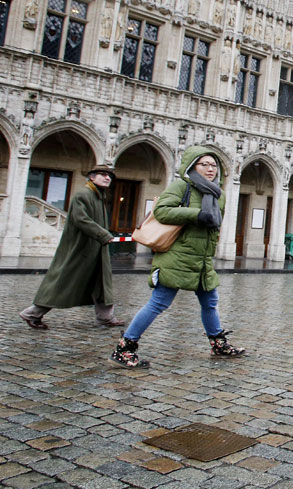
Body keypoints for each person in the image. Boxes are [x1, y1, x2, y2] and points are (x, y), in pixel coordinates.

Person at [109, 147, 244, 368]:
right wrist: (196, 215)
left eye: (214, 165)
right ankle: (124, 348)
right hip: (177, 257)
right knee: (158, 303)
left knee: (210, 303)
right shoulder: (182, 186)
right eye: (204, 164)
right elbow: (162, 211)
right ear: (192, 166)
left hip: (202, 260)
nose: (210, 169)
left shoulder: (218, 194)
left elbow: (213, 228)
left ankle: (218, 344)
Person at [20, 165, 123, 330]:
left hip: (95, 247)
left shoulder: (99, 195)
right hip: (80, 248)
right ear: (92, 177)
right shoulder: (84, 194)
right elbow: (80, 219)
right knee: (63, 282)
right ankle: (32, 313)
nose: (107, 178)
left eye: (109, 176)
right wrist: (103, 234)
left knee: (101, 281)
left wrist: (102, 236)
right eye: (103, 174)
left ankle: (106, 317)